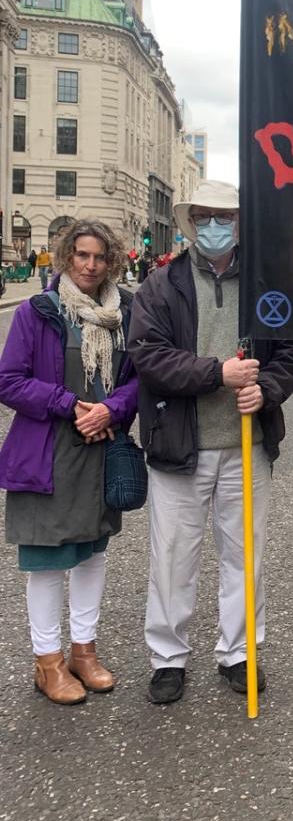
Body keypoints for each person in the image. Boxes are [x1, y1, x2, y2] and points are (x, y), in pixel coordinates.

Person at [128, 180, 293, 705]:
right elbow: (149, 356)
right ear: (190, 223)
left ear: (239, 223)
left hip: (247, 447)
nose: (214, 226)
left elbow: (291, 352)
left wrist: (267, 390)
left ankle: (240, 652)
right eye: (204, 217)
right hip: (180, 446)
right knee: (172, 557)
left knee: (244, 557)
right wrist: (217, 374)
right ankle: (168, 658)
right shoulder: (161, 286)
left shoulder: (268, 283)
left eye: (224, 217)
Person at [0, 219, 138, 704]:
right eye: (82, 255)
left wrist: (111, 410)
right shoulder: (38, 311)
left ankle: (84, 651)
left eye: (100, 257)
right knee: (47, 560)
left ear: (112, 261)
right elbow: (9, 380)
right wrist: (66, 404)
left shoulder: (125, 312)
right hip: (47, 453)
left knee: (91, 554)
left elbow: (138, 376)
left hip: (99, 447)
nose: (90, 264)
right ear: (66, 258)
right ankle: (48, 662)